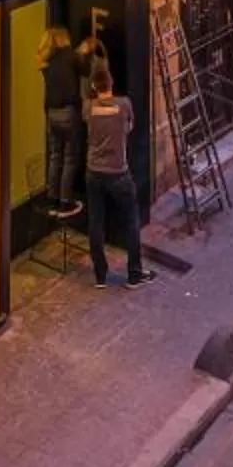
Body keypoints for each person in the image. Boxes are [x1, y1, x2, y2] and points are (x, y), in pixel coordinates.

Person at [81, 56, 151, 289]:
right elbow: (130, 128)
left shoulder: (88, 108)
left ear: (93, 86)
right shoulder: (123, 105)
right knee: (131, 221)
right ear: (111, 83)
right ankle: (134, 273)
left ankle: (100, 275)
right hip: (118, 172)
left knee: (95, 223)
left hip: (93, 172)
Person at [39, 22, 84, 220]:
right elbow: (86, 69)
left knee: (55, 155)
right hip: (67, 111)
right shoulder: (70, 56)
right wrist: (83, 51)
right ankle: (66, 202)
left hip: (51, 113)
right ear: (63, 37)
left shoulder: (47, 62)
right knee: (69, 157)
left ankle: (52, 199)